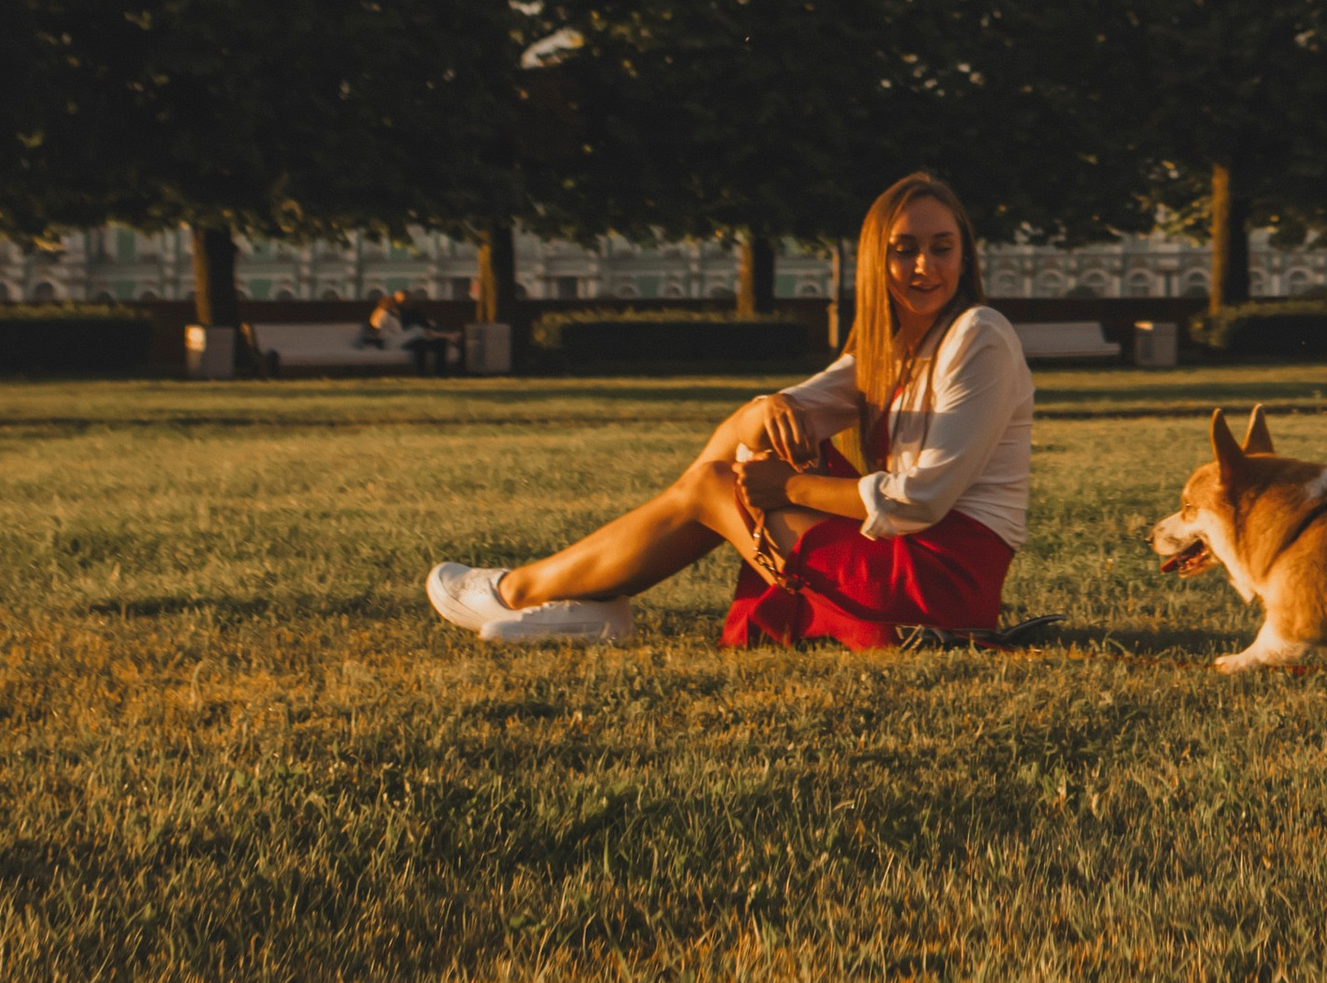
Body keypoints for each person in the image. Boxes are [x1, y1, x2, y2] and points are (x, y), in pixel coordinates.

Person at [422, 172, 1031, 651]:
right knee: (747, 448)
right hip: (906, 559)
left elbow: (920, 500)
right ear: (878, 261)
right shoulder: (891, 348)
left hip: (941, 585)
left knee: (714, 486)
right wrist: (768, 406)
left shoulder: (978, 334)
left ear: (965, 257)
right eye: (905, 250)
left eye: (942, 248)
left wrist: (786, 487)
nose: (925, 266)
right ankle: (591, 601)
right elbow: (773, 419)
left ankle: (520, 589)